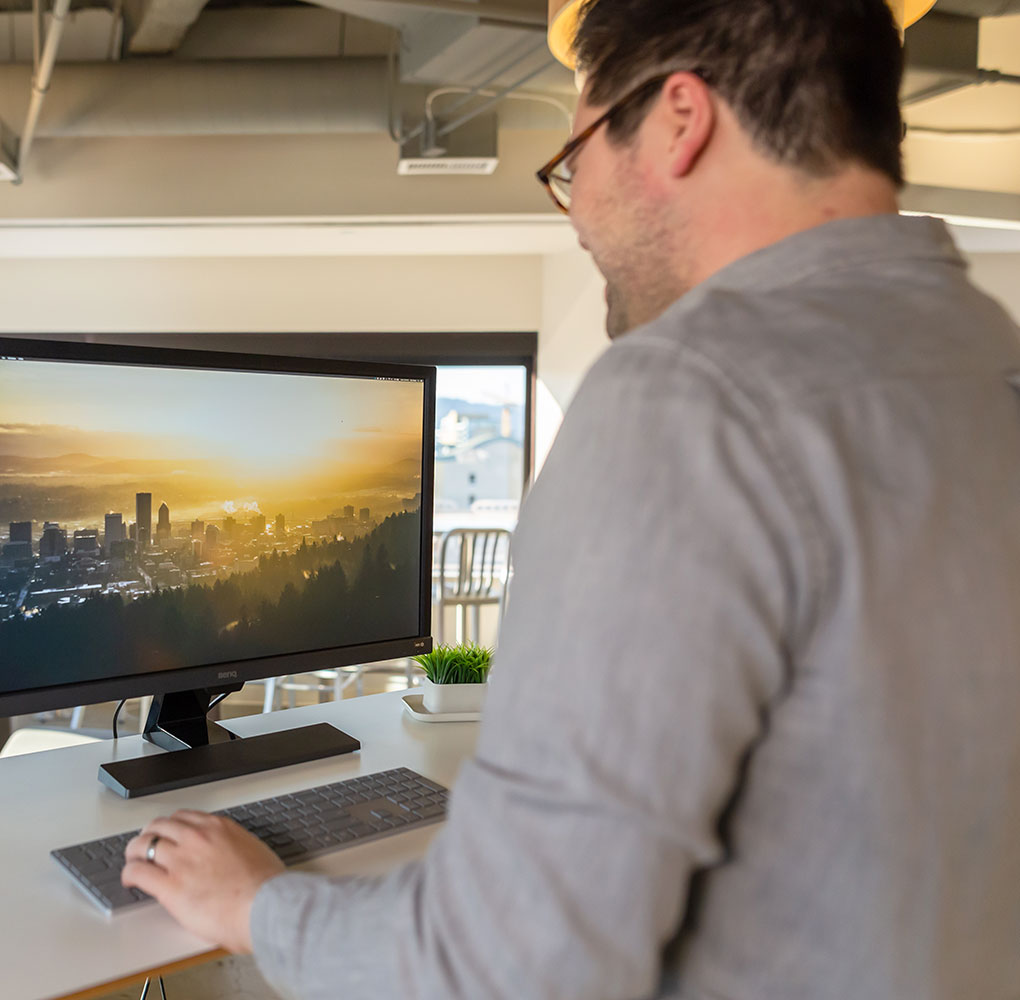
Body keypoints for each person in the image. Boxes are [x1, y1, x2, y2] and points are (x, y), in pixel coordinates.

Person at [121, 1, 1020, 996]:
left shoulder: (687, 398)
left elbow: (508, 963)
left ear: (681, 119)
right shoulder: (988, 360)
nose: (578, 204)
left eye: (577, 149)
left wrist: (253, 906)